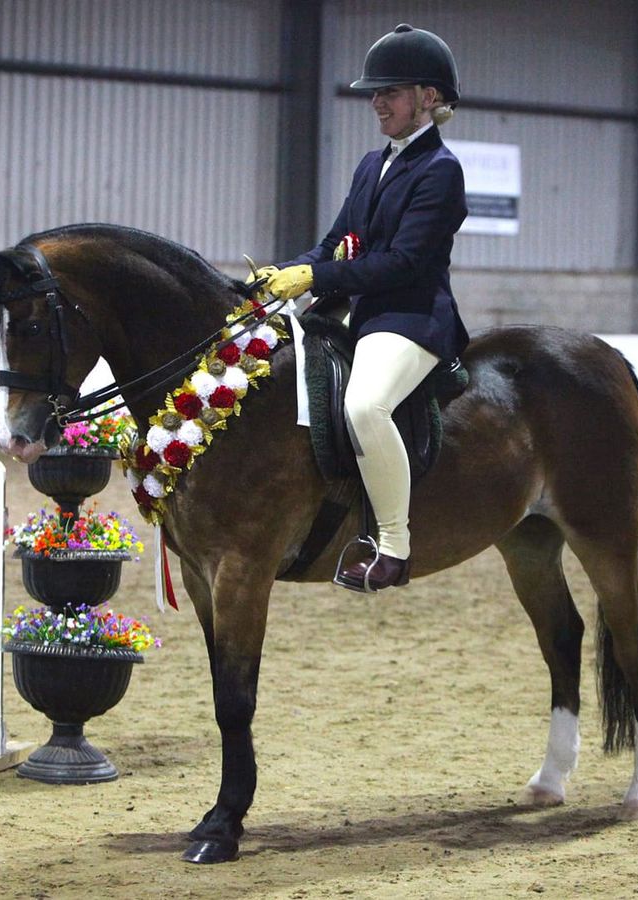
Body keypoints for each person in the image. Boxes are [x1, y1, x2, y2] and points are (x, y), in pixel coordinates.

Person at [256, 23, 469, 592]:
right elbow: (333, 244)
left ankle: (394, 548)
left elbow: (404, 263)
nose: (377, 102)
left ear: (429, 98)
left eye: (390, 91)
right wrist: (285, 276)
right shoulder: (370, 164)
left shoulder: (440, 171)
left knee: (366, 407)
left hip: (410, 315)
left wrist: (316, 274)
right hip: (356, 309)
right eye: (375, 92)